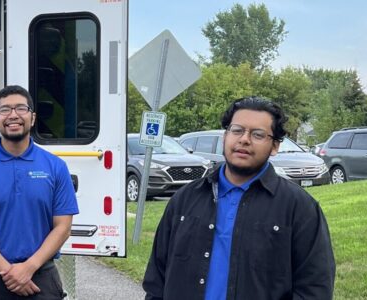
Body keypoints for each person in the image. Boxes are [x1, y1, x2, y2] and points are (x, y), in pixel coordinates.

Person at [143, 97, 335, 300]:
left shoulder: (299, 208)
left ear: (275, 146)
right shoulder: (185, 200)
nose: (244, 139)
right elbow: (157, 280)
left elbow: (315, 289)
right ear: (225, 136)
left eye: (258, 134)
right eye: (237, 130)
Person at [0, 85, 79, 299]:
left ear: (32, 117)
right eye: (5, 109)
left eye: (21, 108)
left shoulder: (56, 167)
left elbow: (63, 228)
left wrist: (28, 268)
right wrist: (10, 273)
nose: (13, 115)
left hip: (40, 276)